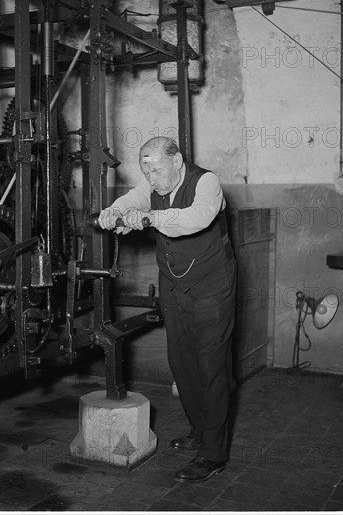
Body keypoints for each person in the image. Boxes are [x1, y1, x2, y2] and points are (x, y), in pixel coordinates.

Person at [98, 136, 237, 483]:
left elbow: (197, 218)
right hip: (174, 284)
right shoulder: (153, 184)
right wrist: (113, 213)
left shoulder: (206, 182)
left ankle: (214, 453)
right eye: (146, 170)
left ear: (177, 161)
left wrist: (148, 218)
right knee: (180, 359)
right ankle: (199, 430)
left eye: (157, 169)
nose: (152, 177)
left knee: (211, 366)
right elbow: (132, 200)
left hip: (211, 286)